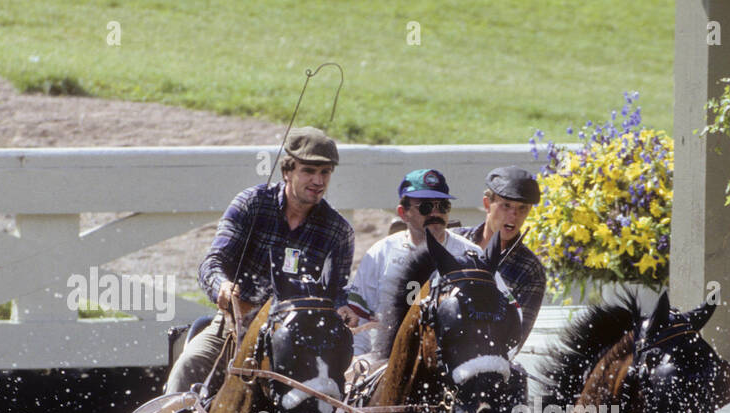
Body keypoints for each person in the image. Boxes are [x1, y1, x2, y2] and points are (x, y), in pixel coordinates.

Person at [165, 127, 356, 393]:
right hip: (234, 327)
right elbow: (212, 263)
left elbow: (336, 293)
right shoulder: (251, 204)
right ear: (287, 171)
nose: (318, 180)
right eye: (309, 171)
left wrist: (343, 308)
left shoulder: (338, 231)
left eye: (325, 172)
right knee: (190, 363)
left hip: (296, 339)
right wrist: (221, 285)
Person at [344, 169, 482, 358]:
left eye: (443, 206)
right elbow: (358, 320)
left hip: (455, 362)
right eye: (425, 207)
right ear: (403, 213)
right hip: (387, 359)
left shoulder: (471, 254)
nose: (436, 213)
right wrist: (358, 363)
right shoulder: (380, 253)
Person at [455, 167, 547, 347]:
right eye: (506, 205)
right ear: (487, 204)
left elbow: (516, 339)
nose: (514, 215)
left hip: (487, 362)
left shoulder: (530, 270)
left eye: (523, 208)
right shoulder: (453, 242)